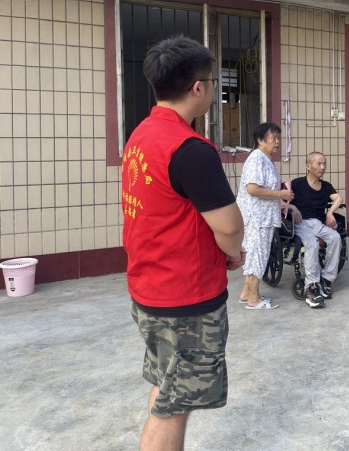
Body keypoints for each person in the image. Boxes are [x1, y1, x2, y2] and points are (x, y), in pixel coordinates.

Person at [122, 36, 245, 451]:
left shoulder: (140, 135)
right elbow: (229, 226)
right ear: (198, 88)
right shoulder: (191, 150)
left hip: (149, 288)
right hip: (185, 299)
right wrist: (232, 253)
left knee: (167, 386)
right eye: (212, 82)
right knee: (174, 407)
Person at [236, 122, 294, 309]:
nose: (277, 142)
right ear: (260, 140)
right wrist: (280, 194)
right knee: (257, 255)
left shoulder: (265, 159)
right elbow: (253, 189)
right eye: (273, 138)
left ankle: (247, 292)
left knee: (254, 253)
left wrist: (283, 203)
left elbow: (263, 191)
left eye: (278, 138)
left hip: (262, 216)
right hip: (257, 218)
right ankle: (254, 299)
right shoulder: (257, 158)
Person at [287, 152, 343, 308]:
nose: (322, 167)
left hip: (318, 223)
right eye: (318, 164)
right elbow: (279, 200)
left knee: (335, 237)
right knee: (312, 244)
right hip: (301, 223)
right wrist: (292, 207)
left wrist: (330, 213)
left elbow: (338, 198)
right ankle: (311, 287)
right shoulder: (297, 184)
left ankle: (326, 279)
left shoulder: (326, 186)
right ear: (308, 166)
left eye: (324, 163)